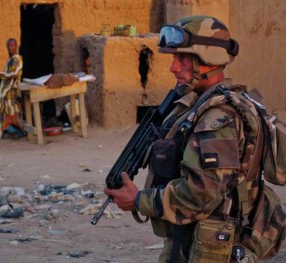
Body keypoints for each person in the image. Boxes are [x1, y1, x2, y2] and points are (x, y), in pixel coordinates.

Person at [104, 16, 262, 262]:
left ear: (208, 58)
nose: (173, 67)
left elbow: (201, 195)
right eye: (174, 58)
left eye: (183, 58)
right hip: (194, 237)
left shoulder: (218, 118)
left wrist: (138, 200)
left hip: (212, 248)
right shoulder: (198, 104)